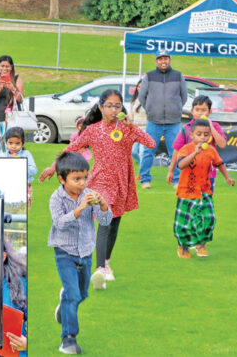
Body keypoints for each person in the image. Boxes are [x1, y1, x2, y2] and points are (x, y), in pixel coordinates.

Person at [39, 89, 155, 287]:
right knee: (105, 221)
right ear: (101, 107)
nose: (113, 109)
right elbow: (71, 148)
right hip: (101, 181)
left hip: (122, 181)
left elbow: (151, 143)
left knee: (115, 222)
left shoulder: (127, 129)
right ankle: (100, 268)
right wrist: (53, 166)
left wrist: (132, 126)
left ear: (121, 108)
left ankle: (105, 262)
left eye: (117, 106)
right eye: (109, 106)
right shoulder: (93, 131)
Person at [47, 152, 112, 354]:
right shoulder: (56, 199)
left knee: (81, 294)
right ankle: (68, 339)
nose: (82, 183)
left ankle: (64, 304)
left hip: (85, 251)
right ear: (62, 179)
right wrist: (79, 209)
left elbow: (105, 221)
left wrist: (102, 205)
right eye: (76, 179)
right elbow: (59, 223)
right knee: (73, 295)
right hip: (64, 252)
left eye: (85, 177)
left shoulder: (89, 193)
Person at [174, 119, 234, 258]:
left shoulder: (211, 150)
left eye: (206, 134)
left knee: (209, 218)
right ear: (192, 135)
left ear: (210, 136)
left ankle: (201, 245)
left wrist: (227, 177)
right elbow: (181, 165)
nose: (202, 137)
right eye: (199, 134)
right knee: (184, 222)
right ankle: (183, 247)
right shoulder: (186, 149)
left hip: (204, 190)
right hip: (187, 191)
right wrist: (194, 153)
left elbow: (219, 163)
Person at [138, 51, 188, 188]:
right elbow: (142, 97)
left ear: (170, 60)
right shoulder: (149, 76)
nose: (163, 61)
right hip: (153, 121)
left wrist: (175, 109)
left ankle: (176, 180)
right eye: (160, 59)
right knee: (148, 151)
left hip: (174, 122)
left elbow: (184, 97)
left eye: (165, 58)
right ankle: (145, 179)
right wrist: (150, 109)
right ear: (156, 61)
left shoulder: (178, 76)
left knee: (176, 152)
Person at [166, 95, 227, 190]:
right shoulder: (186, 128)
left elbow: (222, 144)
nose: (199, 113)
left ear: (210, 112)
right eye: (197, 110)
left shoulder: (215, 126)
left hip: (208, 174)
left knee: (206, 202)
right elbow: (176, 150)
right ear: (192, 111)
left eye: (203, 110)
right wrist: (171, 171)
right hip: (189, 173)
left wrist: (211, 127)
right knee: (190, 201)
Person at [0, 55, 24, 157]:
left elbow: (20, 99)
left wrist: (12, 88)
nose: (4, 69)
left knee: (13, 147)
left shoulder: (17, 78)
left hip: (13, 118)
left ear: (11, 67)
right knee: (0, 147)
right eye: (2, 66)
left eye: (7, 66)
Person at [0, 127, 38, 209]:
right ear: (6, 143)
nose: (13, 146)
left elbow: (34, 170)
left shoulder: (26, 154)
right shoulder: (3, 155)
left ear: (22, 143)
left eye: (17, 143)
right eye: (10, 143)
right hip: (8, 187)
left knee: (23, 209)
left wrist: (19, 163)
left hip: (24, 187)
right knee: (7, 209)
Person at [130, 79, 147, 167]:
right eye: (138, 87)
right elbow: (131, 116)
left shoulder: (149, 100)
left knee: (142, 152)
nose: (140, 88)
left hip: (145, 129)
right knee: (133, 151)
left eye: (142, 87)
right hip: (135, 129)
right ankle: (142, 166)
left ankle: (142, 172)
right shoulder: (134, 100)